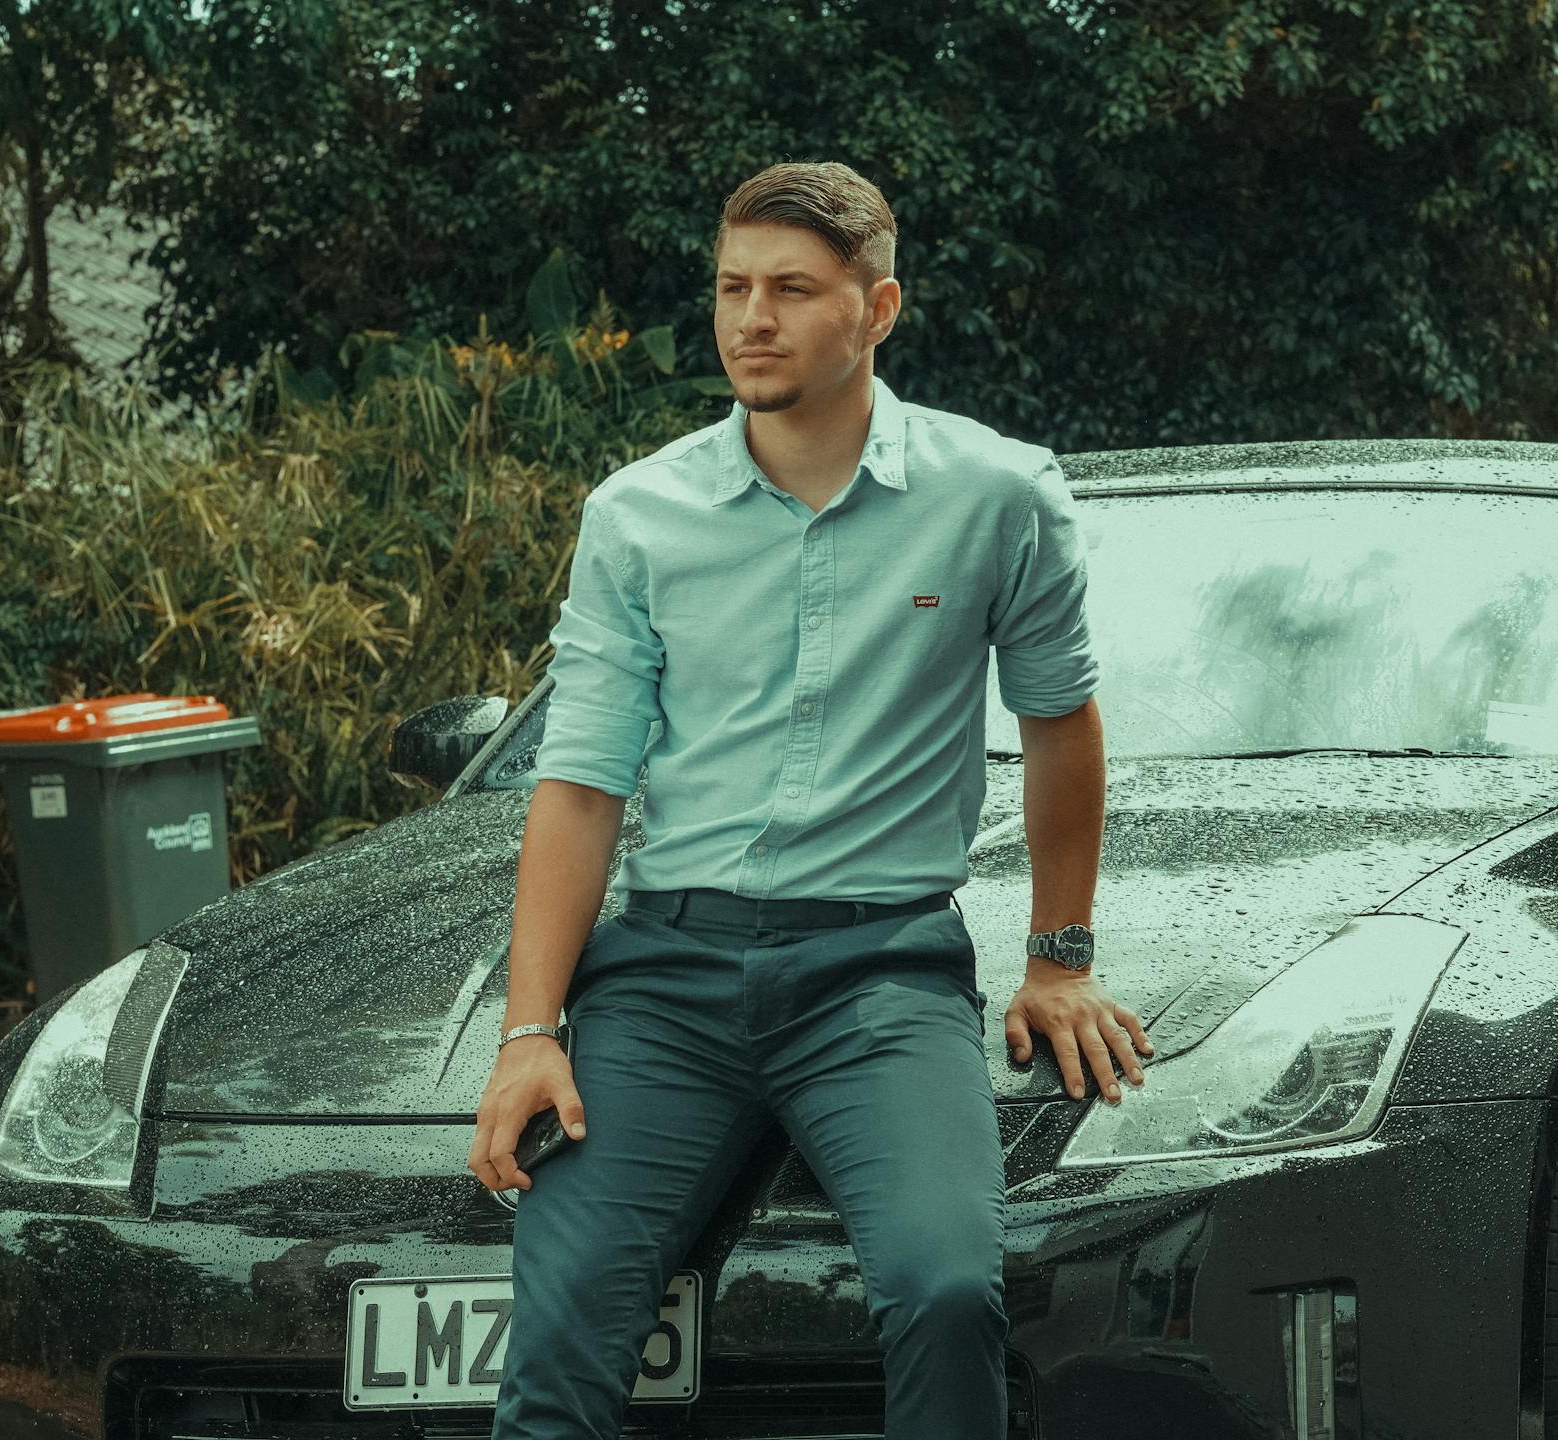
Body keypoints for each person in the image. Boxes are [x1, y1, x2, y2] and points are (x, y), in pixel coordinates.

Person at [466, 160, 1155, 1439]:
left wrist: (1057, 959)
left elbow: (1060, 724)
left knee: (948, 1291)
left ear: (878, 309)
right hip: (666, 980)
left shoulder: (996, 496)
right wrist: (530, 1032)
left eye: (791, 289)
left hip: (878, 979)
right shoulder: (639, 516)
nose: (750, 320)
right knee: (560, 1331)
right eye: (731, 287)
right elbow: (580, 784)